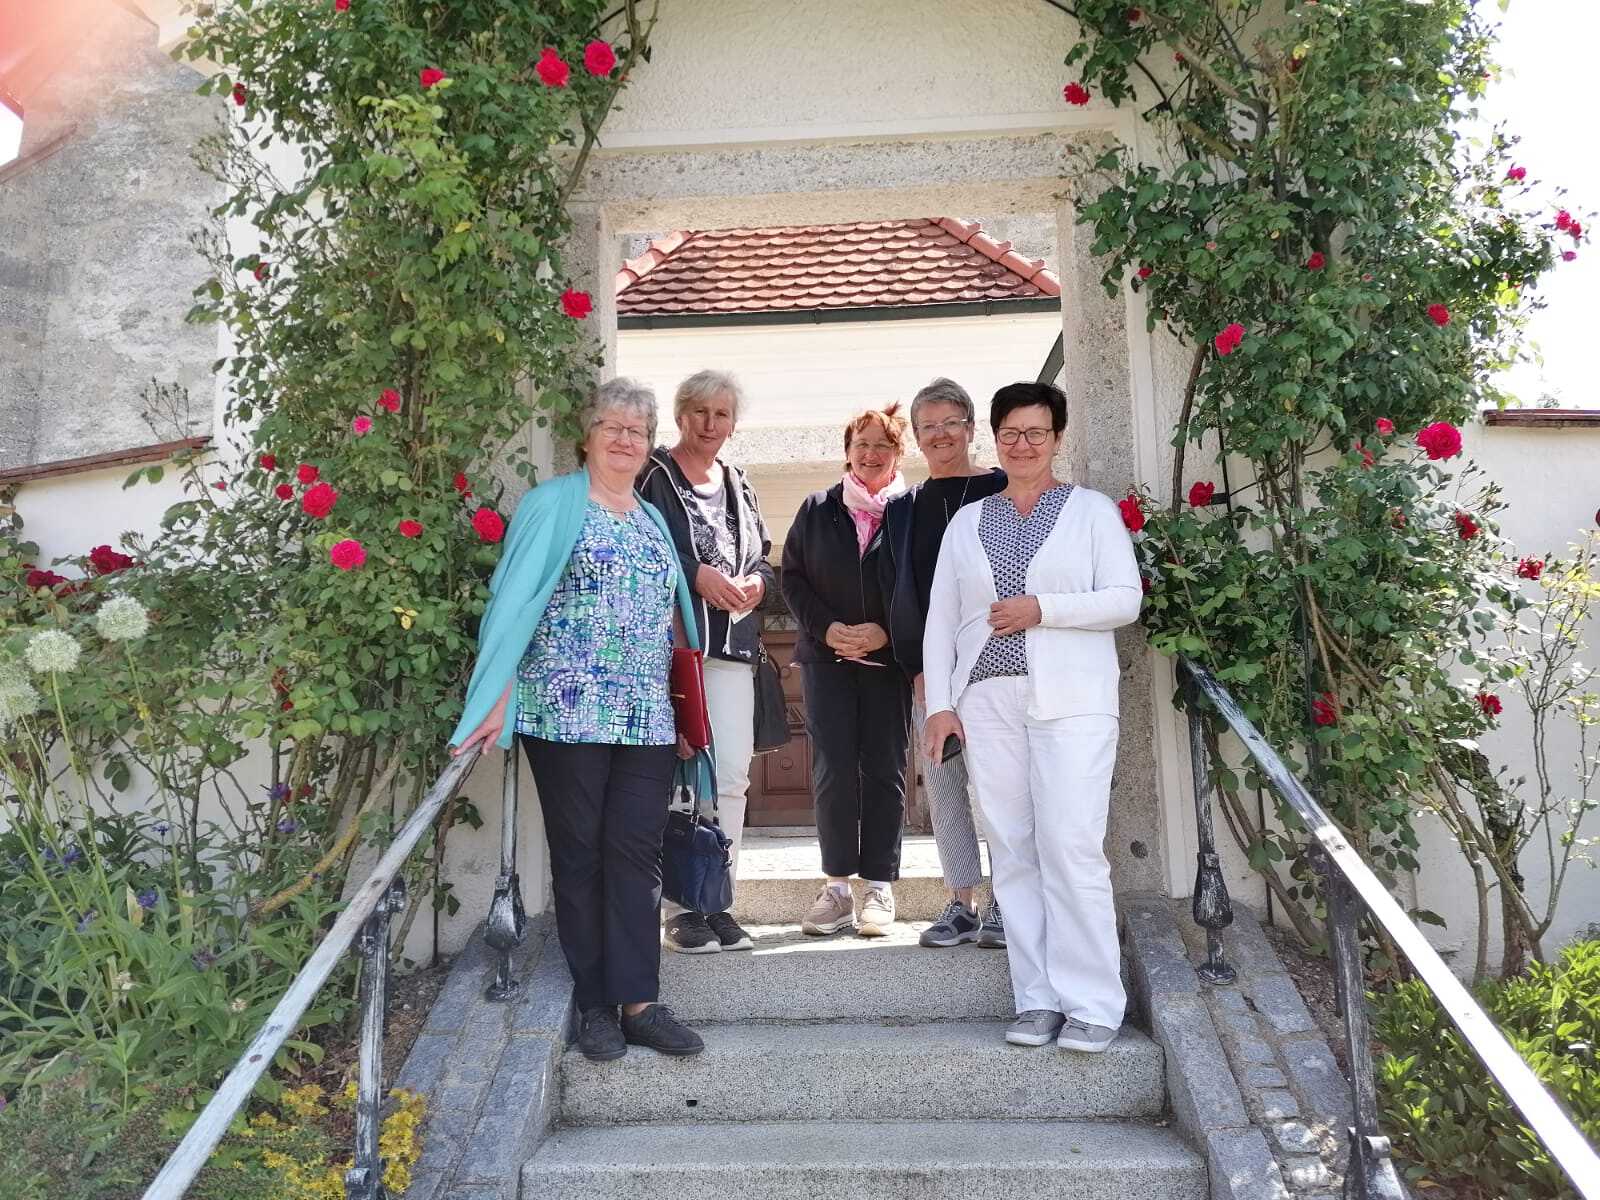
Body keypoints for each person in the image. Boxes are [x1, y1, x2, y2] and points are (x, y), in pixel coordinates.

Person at [450, 377, 705, 1063]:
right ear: (586, 437)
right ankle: (595, 1006)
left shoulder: (651, 519)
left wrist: (686, 710)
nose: (624, 439)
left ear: (649, 445)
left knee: (636, 854)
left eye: (637, 431)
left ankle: (640, 1004)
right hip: (565, 711)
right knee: (582, 854)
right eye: (611, 427)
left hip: (646, 717)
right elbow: (513, 602)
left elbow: (671, 622)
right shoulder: (552, 504)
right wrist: (497, 693)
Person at [921, 381, 1141, 1053]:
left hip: (1071, 701)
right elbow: (942, 619)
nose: (1022, 445)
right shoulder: (967, 522)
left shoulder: (1091, 512)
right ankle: (1037, 999)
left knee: (1070, 846)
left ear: (1057, 439)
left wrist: (1043, 609)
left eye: (1036, 433)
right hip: (986, 701)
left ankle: (1092, 1003)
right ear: (995, 439)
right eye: (1011, 433)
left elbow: (1125, 599)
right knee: (1013, 850)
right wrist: (940, 706)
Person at [636, 369, 774, 955]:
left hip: (733, 651)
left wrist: (757, 584)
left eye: (721, 414)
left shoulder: (739, 482)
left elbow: (763, 556)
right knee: (682, 774)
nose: (710, 423)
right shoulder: (653, 475)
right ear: (680, 415)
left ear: (733, 424)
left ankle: (717, 898)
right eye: (699, 411)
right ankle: (680, 910)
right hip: (673, 652)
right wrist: (695, 575)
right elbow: (644, 547)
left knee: (733, 776)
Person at [878, 378, 1008, 950]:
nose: (940, 434)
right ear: (916, 437)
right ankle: (961, 903)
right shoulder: (904, 509)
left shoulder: (1002, 488)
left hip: (998, 660)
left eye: (950, 423)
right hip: (932, 669)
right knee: (946, 781)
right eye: (928, 426)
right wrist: (917, 667)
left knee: (1001, 785)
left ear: (971, 428)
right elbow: (898, 591)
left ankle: (1007, 901)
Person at [781, 404, 913, 938]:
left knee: (885, 768)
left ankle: (879, 886)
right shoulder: (817, 508)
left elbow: (925, 583)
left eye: (883, 444)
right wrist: (827, 628)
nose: (871, 454)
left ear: (898, 453)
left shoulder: (911, 511)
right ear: (848, 451)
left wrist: (887, 631)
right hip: (827, 659)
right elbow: (792, 578)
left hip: (887, 661)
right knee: (833, 769)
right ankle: (836, 889)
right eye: (862, 444)